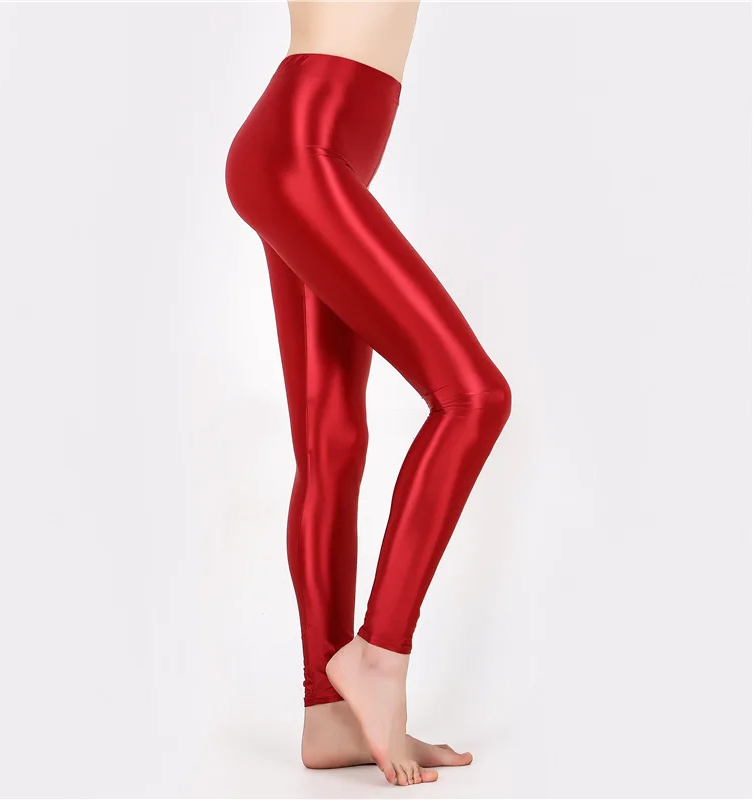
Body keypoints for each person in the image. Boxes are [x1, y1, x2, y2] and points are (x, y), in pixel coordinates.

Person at [225, 0, 512, 787]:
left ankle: (328, 715)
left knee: (333, 443)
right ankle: (380, 655)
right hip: (304, 145)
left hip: (317, 149)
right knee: (474, 397)